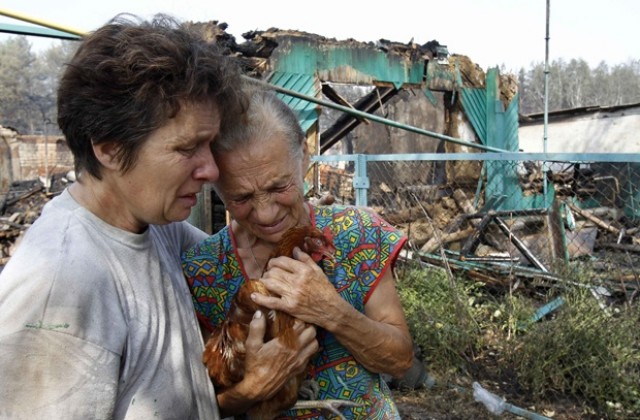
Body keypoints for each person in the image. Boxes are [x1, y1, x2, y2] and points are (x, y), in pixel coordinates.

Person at [0, 14, 247, 419]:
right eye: (188, 148)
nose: (211, 170)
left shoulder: (154, 227)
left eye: (210, 145)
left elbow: (239, 260)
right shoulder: (59, 290)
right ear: (110, 148)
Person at [182, 85, 414, 419]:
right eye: (241, 198)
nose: (264, 214)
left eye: (279, 187)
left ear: (303, 157)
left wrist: (332, 311)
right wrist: (253, 388)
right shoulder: (203, 269)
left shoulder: (358, 234)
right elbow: (205, 399)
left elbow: (401, 361)